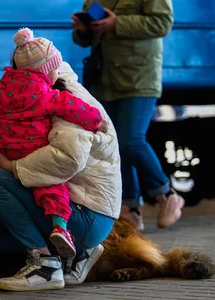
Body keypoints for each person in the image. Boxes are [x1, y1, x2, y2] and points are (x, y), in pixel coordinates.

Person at [0, 60, 122, 291]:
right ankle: (78, 253)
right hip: (83, 209)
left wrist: (11, 165)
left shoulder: (67, 108)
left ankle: (46, 267)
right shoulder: (60, 93)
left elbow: (67, 160)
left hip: (88, 214)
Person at [0, 27, 108, 259]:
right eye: (53, 67)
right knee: (51, 185)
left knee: (7, 182)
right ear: (46, 70)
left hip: (8, 147)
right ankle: (60, 229)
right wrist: (96, 120)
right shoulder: (46, 93)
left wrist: (11, 164)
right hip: (33, 148)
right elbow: (70, 107)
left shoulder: (6, 86)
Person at [71, 0, 184, 231]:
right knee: (114, 145)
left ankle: (167, 194)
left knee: (130, 140)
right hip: (105, 79)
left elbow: (162, 22)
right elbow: (86, 38)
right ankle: (130, 209)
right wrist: (83, 31)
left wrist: (117, 23)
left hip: (139, 77)